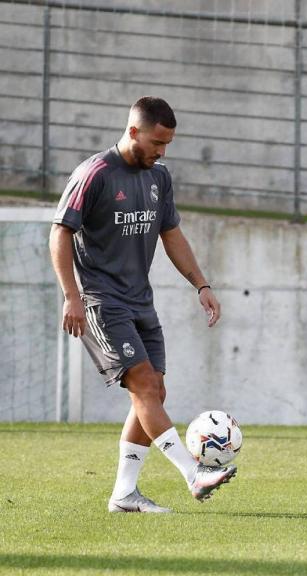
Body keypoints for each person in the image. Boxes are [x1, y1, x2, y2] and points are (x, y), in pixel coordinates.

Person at [50, 96, 236, 513]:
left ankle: (123, 494)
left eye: (167, 144)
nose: (161, 151)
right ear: (133, 131)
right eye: (156, 142)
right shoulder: (94, 173)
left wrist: (201, 284)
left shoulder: (159, 177)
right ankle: (194, 474)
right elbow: (59, 234)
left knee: (155, 391)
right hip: (102, 302)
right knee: (145, 387)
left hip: (140, 302)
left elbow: (172, 234)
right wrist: (71, 297)